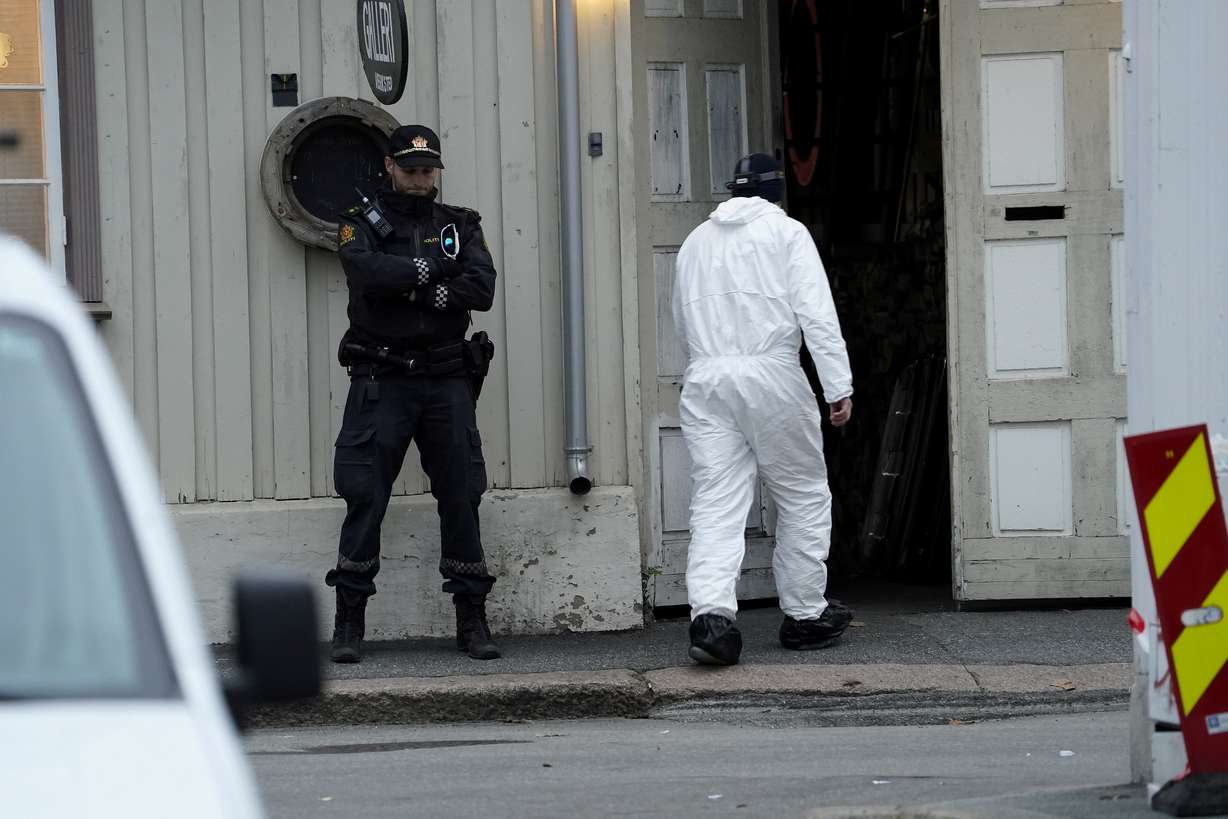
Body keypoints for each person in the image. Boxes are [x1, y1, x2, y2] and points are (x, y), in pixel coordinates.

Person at [326, 124, 500, 663]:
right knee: (365, 495)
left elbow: (482, 289)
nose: (421, 178)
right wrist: (430, 274)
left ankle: (472, 621)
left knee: (461, 496)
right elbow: (366, 273)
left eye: (428, 170)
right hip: (383, 380)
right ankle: (349, 622)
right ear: (390, 166)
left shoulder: (459, 224)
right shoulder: (359, 226)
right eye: (411, 169)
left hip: (447, 380)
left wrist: (413, 285)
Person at [672, 153, 855, 666]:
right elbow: (817, 315)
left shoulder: (694, 242)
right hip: (771, 372)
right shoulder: (787, 233)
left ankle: (711, 620)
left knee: (716, 501)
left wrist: (704, 367)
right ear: (778, 192)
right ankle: (804, 615)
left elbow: (681, 320)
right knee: (800, 493)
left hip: (707, 376)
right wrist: (837, 385)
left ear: (733, 191)